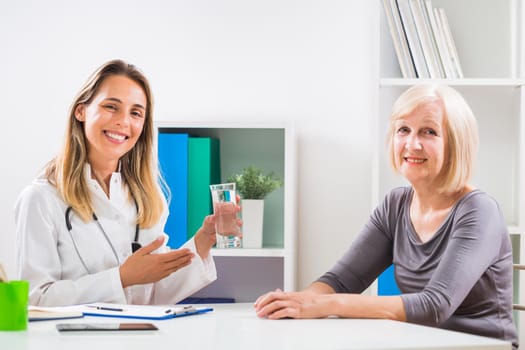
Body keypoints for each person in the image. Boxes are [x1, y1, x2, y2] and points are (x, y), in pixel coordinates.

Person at [254, 84, 518, 349]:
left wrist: (322, 304)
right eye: (403, 129)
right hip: (422, 344)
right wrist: (296, 302)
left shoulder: (479, 211)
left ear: (456, 143)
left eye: (429, 132)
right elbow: (342, 280)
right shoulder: (396, 204)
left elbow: (434, 306)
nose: (411, 144)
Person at [15, 59, 240, 307]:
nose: (124, 121)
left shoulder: (148, 196)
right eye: (112, 106)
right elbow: (35, 299)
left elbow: (152, 294)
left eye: (135, 113)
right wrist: (121, 278)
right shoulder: (41, 198)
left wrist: (204, 240)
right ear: (81, 111)